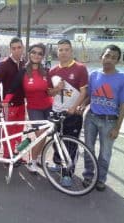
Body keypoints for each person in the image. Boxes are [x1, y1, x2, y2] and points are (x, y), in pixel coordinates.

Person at [83, 44, 124, 191]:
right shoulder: (94, 75)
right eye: (107, 56)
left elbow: (123, 105)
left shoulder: (123, 78)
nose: (109, 60)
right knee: (88, 149)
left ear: (117, 61)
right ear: (101, 57)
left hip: (109, 121)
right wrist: (82, 106)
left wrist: (117, 128)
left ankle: (100, 179)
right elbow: (90, 96)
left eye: (113, 58)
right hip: (91, 118)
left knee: (105, 153)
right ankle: (88, 175)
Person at [3, 43, 53, 173]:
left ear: (43, 56)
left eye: (40, 53)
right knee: (41, 135)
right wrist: (5, 102)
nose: (36, 55)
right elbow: (12, 88)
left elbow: (49, 91)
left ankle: (40, 158)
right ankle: (33, 161)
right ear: (29, 54)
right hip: (34, 109)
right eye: (34, 52)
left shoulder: (46, 71)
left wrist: (57, 89)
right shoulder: (23, 71)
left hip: (48, 107)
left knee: (45, 135)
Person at [47, 39, 88, 187]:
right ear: (57, 52)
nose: (63, 52)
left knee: (70, 145)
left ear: (71, 51)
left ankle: (67, 173)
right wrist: (57, 89)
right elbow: (49, 93)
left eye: (66, 49)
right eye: (60, 50)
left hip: (72, 115)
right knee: (56, 141)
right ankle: (58, 164)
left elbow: (84, 92)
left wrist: (74, 107)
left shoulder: (80, 68)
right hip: (56, 112)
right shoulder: (52, 71)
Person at [0, 37, 26, 161]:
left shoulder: (24, 63)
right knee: (8, 131)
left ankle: (18, 154)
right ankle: (7, 155)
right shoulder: (4, 64)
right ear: (10, 49)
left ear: (23, 48)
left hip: (22, 104)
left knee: (20, 131)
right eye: (14, 48)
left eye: (19, 47)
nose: (17, 50)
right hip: (8, 105)